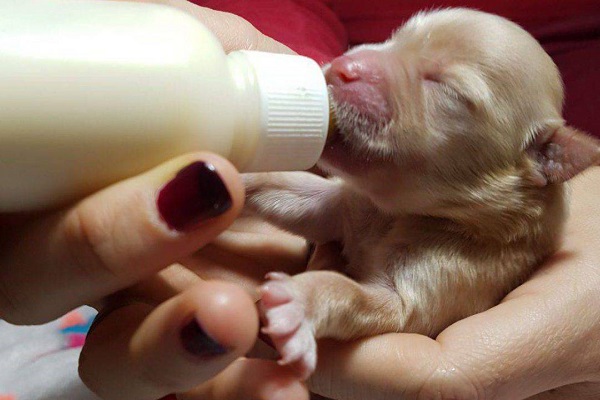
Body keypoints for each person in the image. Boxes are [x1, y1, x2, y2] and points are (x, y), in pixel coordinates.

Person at [3, 0, 599, 399]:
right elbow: (311, 201)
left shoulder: (478, 242)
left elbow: (386, 306)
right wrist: (207, 152)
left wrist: (310, 297)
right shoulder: (403, 191)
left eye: (441, 88)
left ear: (543, 163)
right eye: (391, 44)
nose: (355, 66)